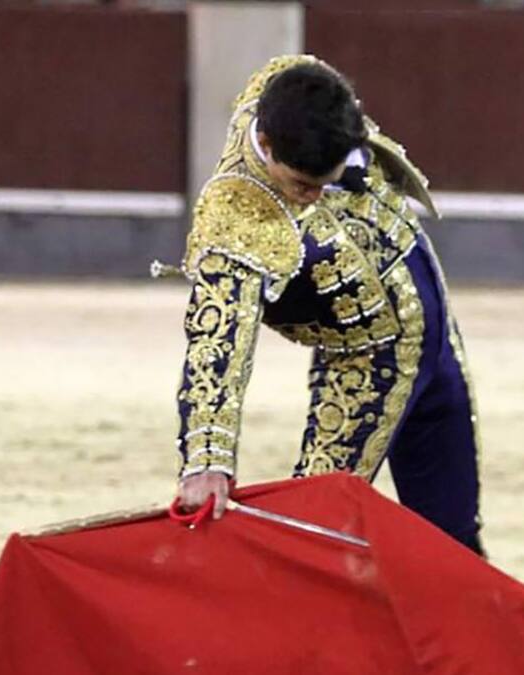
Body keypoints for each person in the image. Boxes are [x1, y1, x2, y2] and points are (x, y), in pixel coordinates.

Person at [169, 54, 483, 554]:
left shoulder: (294, 85)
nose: (314, 197)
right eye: (302, 185)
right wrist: (208, 460)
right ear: (265, 146)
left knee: (454, 538)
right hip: (367, 359)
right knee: (313, 535)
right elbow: (218, 340)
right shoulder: (236, 219)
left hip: (434, 325)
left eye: (327, 181)